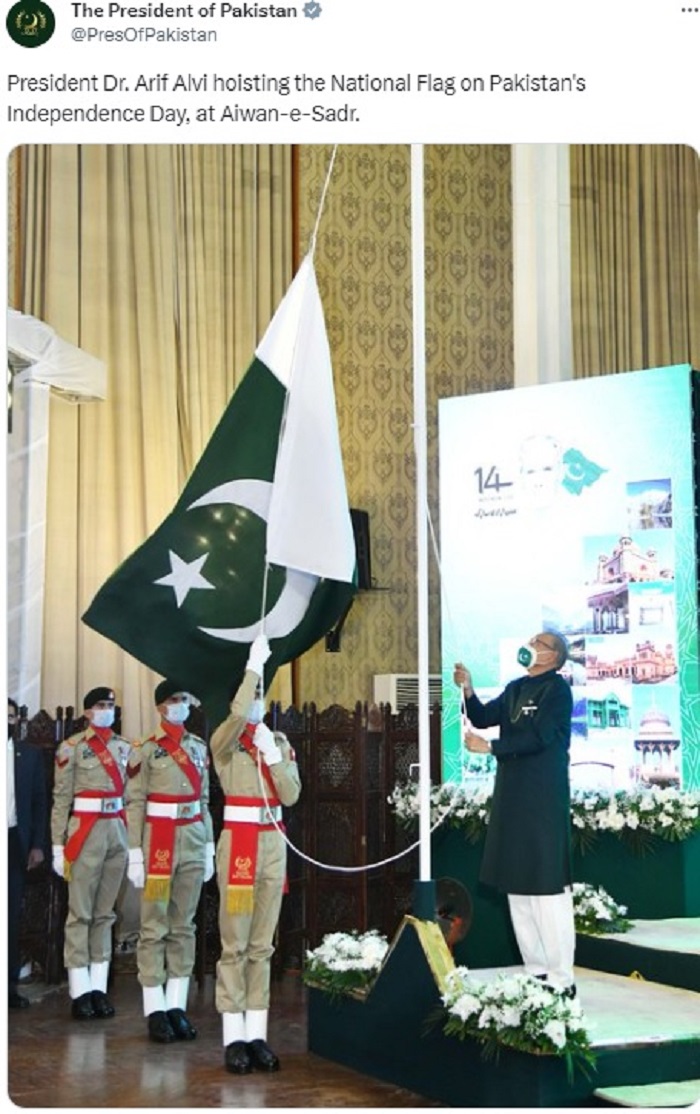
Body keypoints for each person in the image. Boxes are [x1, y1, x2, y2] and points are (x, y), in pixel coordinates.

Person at [453, 630, 576, 996]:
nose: (531, 645)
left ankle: (561, 978)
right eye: (532, 640)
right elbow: (482, 716)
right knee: (518, 887)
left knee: (546, 889)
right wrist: (468, 689)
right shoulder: (515, 688)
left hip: (543, 799)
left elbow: (540, 738)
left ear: (554, 656)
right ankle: (536, 970)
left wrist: (491, 748)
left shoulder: (558, 691)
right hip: (512, 798)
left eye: (540, 643)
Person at [210, 634, 301, 1075]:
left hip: (272, 844)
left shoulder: (276, 742)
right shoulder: (225, 742)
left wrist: (274, 756)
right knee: (236, 943)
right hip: (240, 845)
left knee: (263, 944)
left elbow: (291, 794)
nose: (257, 704)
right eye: (252, 697)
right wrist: (253, 667)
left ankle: (256, 1033)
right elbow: (235, 716)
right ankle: (233, 1036)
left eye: (262, 697)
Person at [126, 681, 214, 1044]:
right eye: (174, 700)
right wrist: (134, 852)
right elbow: (135, 802)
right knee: (153, 926)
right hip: (158, 841)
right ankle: (155, 1009)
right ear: (161, 706)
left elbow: (204, 800)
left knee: (184, 926)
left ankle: (176, 1004)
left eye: (184, 699)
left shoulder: (198, 747)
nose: (182, 705)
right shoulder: (145, 749)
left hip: (192, 838)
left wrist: (209, 847)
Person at [51, 687, 130, 1020]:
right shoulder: (72, 748)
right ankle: (79, 989)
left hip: (117, 830)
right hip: (85, 833)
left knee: (105, 913)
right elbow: (61, 799)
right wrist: (58, 846)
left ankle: (98, 987)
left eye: (110, 705)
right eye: (100, 705)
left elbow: (132, 796)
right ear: (87, 712)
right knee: (80, 912)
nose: (106, 710)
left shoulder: (125, 748)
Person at [8, 698, 47, 1009]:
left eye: (9, 716)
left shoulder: (29, 755)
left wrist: (37, 845)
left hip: (13, 843)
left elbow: (39, 802)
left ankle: (8, 987)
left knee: (9, 917)